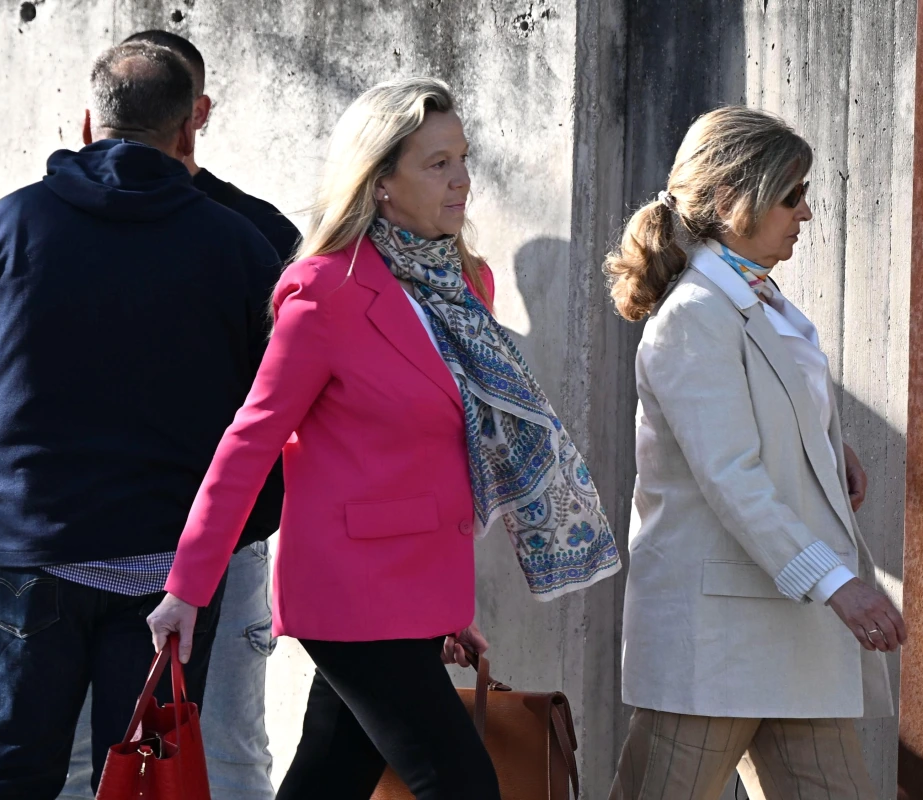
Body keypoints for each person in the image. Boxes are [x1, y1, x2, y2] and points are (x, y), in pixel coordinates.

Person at [144, 76, 622, 799]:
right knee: (462, 785)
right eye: (437, 164)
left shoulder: (461, 287)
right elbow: (251, 441)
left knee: (330, 778)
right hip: (351, 593)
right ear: (382, 183)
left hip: (417, 590)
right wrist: (188, 587)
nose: (462, 180)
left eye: (463, 158)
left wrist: (450, 608)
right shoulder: (324, 294)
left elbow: (445, 454)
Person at [0, 41, 283, 799]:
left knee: (9, 778)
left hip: (31, 556)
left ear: (86, 122)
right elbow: (268, 414)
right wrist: (242, 529)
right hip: (169, 579)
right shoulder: (241, 246)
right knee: (147, 782)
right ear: (187, 132)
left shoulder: (6, 228)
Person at [604, 106, 907, 800]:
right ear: (725, 201)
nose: (804, 215)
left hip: (787, 635)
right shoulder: (693, 316)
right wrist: (840, 583)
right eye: (790, 196)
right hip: (719, 642)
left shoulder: (755, 303)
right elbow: (730, 476)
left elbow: (752, 427)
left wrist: (830, 445)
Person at [58, 29, 298, 800]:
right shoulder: (52, 221)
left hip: (218, 541)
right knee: (85, 762)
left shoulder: (257, 236)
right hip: (89, 542)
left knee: (221, 752)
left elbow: (282, 403)